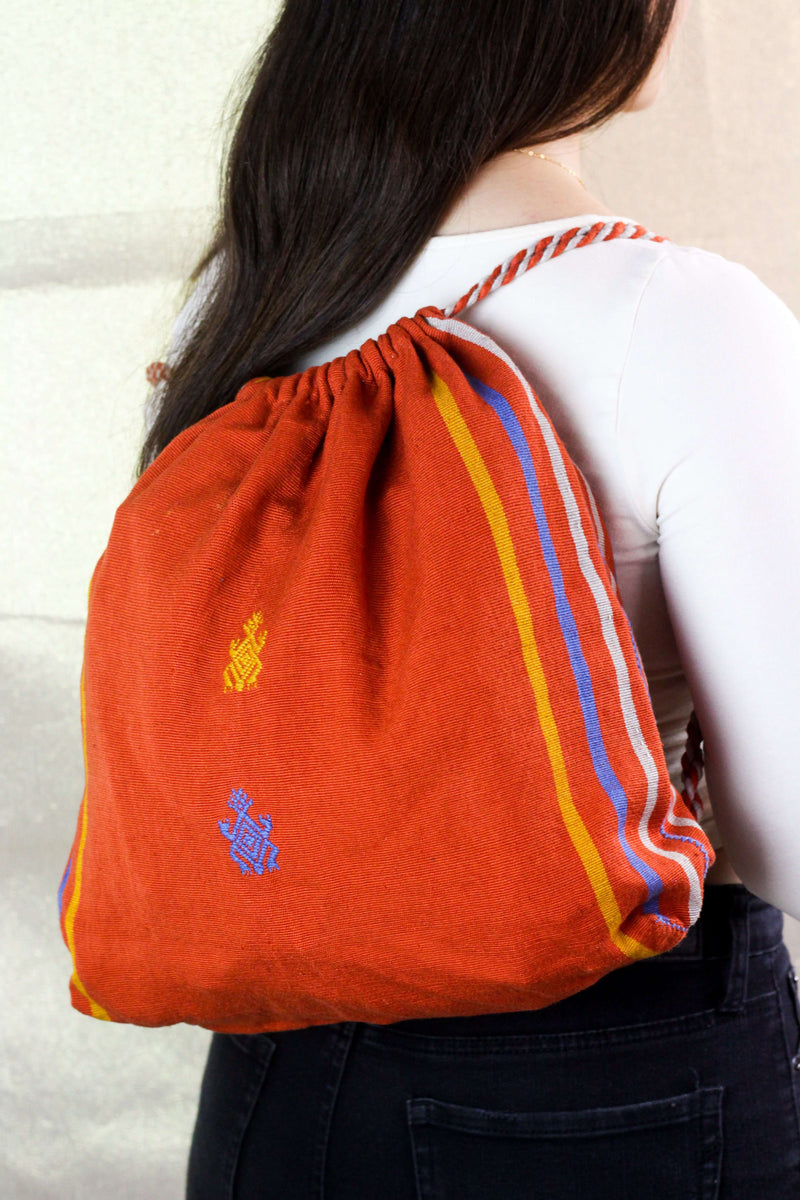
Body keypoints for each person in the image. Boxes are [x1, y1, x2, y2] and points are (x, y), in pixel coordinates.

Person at [138, 2, 800, 1196]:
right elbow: (788, 828)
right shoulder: (678, 317)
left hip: (271, 1074)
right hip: (600, 1078)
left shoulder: (243, 298)